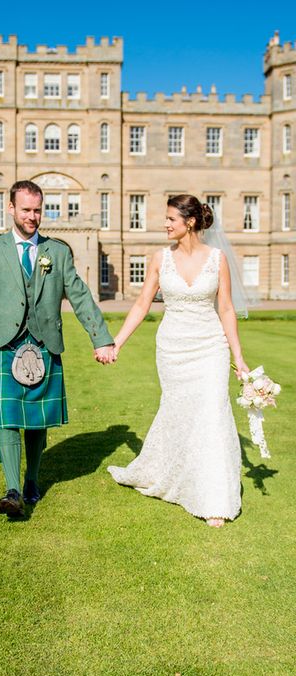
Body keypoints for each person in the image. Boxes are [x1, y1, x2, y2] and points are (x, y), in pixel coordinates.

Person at [0, 180, 115, 517]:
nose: (33, 217)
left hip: (43, 343)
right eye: (26, 210)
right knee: (5, 419)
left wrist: (101, 337)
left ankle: (32, 480)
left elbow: (79, 296)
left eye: (37, 210)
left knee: (35, 420)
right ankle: (12, 489)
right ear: (11, 209)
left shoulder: (57, 252)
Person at [108, 194, 249, 527]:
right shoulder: (160, 259)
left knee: (213, 413)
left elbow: (226, 308)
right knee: (182, 414)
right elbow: (143, 304)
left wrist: (239, 358)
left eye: (171, 218)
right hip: (172, 348)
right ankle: (179, 478)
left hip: (210, 346)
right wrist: (115, 343)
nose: (165, 224)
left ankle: (214, 499)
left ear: (190, 222)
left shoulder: (217, 259)